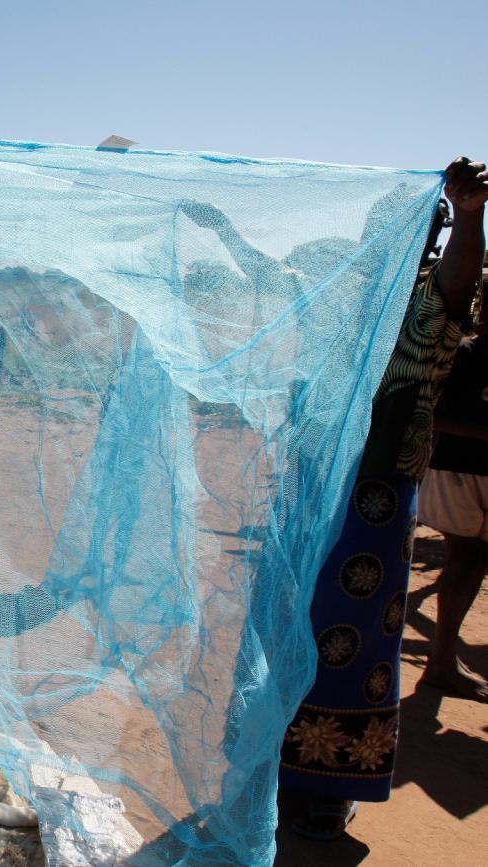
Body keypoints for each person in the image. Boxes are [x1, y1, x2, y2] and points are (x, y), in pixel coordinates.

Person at [279, 158, 487, 839]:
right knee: (285, 630)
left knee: (355, 641)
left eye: (423, 233)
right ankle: (275, 769)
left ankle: (325, 784)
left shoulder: (422, 308)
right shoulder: (337, 298)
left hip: (375, 503)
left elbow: (458, 283)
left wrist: (470, 216)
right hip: (310, 492)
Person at [416, 295, 488, 702]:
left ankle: (444, 658)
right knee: (465, 558)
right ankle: (442, 660)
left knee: (474, 559)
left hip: (476, 471)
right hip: (458, 471)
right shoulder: (464, 354)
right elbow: (433, 414)